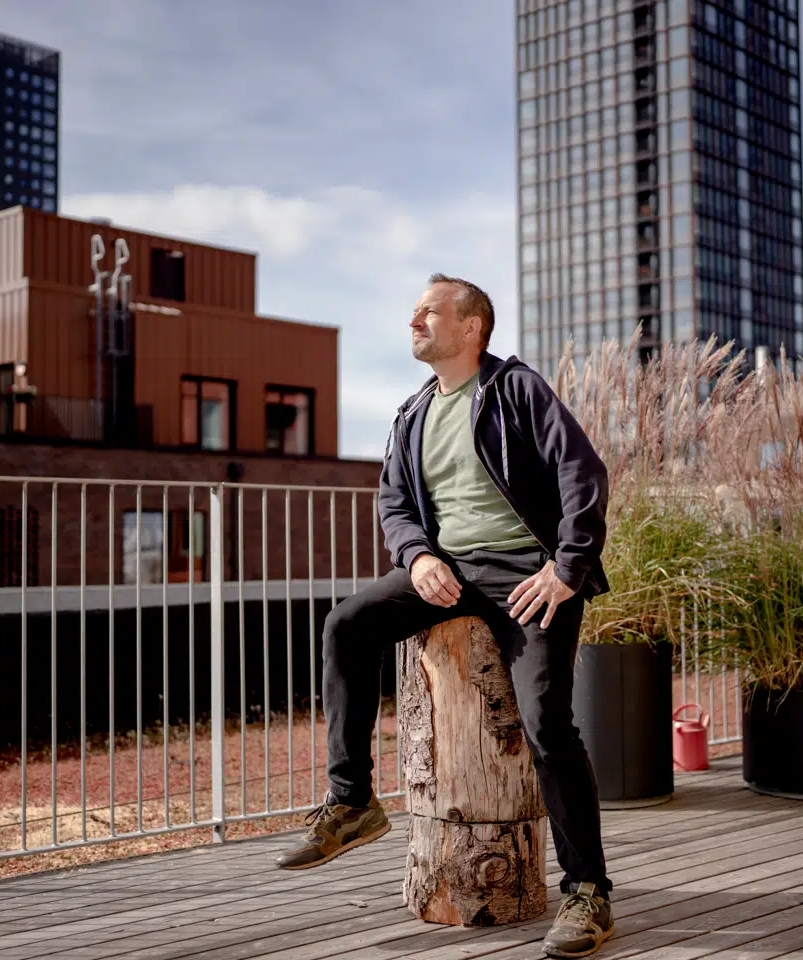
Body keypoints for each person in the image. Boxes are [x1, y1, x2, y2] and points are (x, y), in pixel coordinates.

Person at [276, 273, 615, 958]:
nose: (414, 322)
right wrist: (418, 556)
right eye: (413, 313)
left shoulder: (515, 388)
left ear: (471, 327)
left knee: (547, 720)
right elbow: (393, 503)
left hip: (527, 574)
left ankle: (589, 890)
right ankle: (352, 803)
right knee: (347, 624)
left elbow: (584, 472)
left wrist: (566, 567)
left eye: (428, 312)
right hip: (447, 573)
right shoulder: (412, 413)